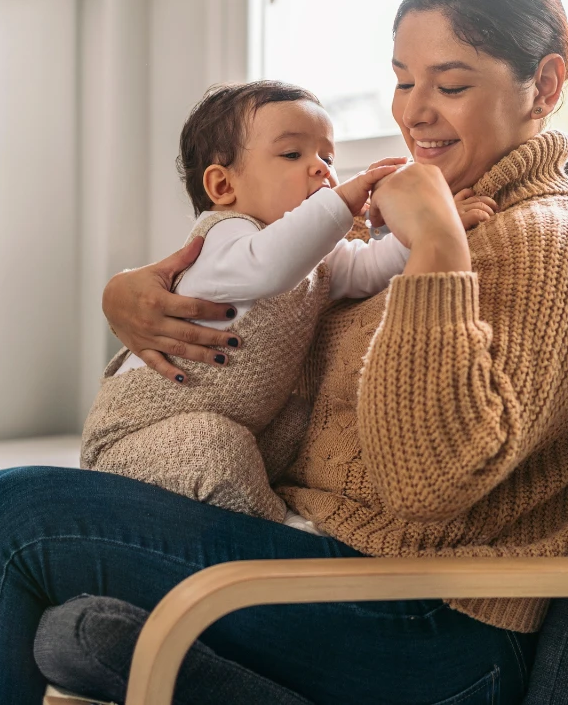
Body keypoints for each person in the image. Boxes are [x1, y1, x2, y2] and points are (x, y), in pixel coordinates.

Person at [0, 0, 568, 705]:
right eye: (405, 80)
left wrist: (439, 252)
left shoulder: (552, 243)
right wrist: (128, 295)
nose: (413, 111)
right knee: (6, 518)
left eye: (451, 84)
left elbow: (428, 484)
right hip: (328, 563)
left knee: (12, 514)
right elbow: (279, 323)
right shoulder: (419, 215)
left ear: (543, 86)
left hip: (435, 625)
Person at [78, 79, 495, 526]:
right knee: (215, 445)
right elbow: (270, 265)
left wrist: (435, 225)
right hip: (135, 438)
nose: (322, 169)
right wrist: (343, 199)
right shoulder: (225, 237)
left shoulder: (313, 254)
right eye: (294, 155)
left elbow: (369, 269)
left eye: (328, 158)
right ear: (222, 186)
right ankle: (281, 530)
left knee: (299, 422)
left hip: (234, 424)